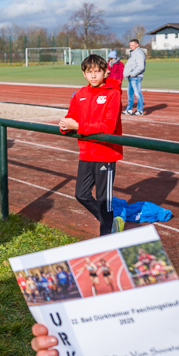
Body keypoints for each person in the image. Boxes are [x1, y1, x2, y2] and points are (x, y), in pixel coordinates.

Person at [59, 54, 125, 236]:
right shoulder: (80, 94)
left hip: (105, 153)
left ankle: (107, 237)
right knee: (81, 194)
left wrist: (78, 126)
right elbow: (71, 117)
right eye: (89, 72)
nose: (93, 75)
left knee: (104, 201)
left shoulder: (113, 93)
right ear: (84, 74)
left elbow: (108, 127)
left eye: (97, 71)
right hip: (86, 152)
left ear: (105, 72)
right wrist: (64, 126)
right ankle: (111, 224)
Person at [123, 38, 146, 115]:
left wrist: (132, 74)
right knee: (130, 93)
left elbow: (141, 66)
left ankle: (140, 110)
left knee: (137, 93)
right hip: (131, 77)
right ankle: (129, 109)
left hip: (136, 77)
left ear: (137, 45)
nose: (131, 46)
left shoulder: (139, 53)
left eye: (132, 45)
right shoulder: (132, 53)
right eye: (130, 45)